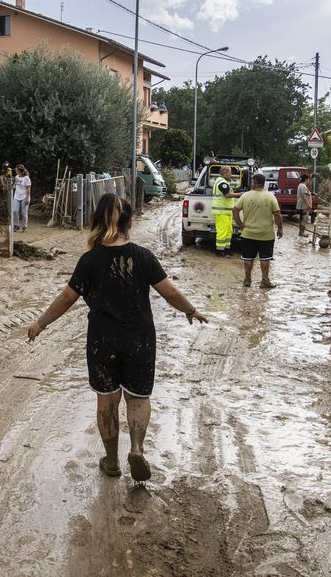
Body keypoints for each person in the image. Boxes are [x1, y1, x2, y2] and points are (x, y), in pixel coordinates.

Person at [27, 193, 207, 481]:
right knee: (137, 397)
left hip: (102, 339)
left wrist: (41, 322)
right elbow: (169, 291)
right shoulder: (143, 256)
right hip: (140, 339)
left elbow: (67, 297)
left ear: (97, 222)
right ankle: (136, 448)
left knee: (107, 401)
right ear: (129, 223)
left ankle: (111, 462)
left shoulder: (89, 260)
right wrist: (191, 309)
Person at [233, 172, 283, 288]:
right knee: (265, 258)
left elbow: (235, 210)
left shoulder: (245, 196)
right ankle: (264, 281)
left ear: (255, 183)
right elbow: (277, 214)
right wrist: (280, 229)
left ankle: (247, 280)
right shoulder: (270, 196)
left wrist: (240, 223)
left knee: (248, 258)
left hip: (248, 234)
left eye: (252, 181)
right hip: (266, 235)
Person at [212, 165, 241, 256]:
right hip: (221, 212)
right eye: (229, 172)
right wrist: (241, 194)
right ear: (224, 173)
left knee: (229, 231)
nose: (231, 174)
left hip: (226, 212)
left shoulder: (224, 182)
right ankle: (220, 251)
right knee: (222, 232)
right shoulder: (222, 182)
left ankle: (226, 249)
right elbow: (227, 195)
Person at [13, 164, 31, 232]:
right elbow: (15, 186)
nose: (15, 170)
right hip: (16, 196)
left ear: (19, 170)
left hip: (24, 197)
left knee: (24, 213)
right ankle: (16, 225)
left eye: (16, 169)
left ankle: (24, 226)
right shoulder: (16, 177)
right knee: (15, 211)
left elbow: (28, 189)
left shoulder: (26, 178)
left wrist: (28, 198)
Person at [296, 173, 312, 237]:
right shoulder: (303, 186)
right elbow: (304, 195)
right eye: (308, 179)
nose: (309, 181)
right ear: (306, 179)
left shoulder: (302, 185)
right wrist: (308, 204)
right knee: (303, 219)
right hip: (303, 205)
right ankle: (302, 233)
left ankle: (301, 232)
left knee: (302, 219)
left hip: (303, 205)